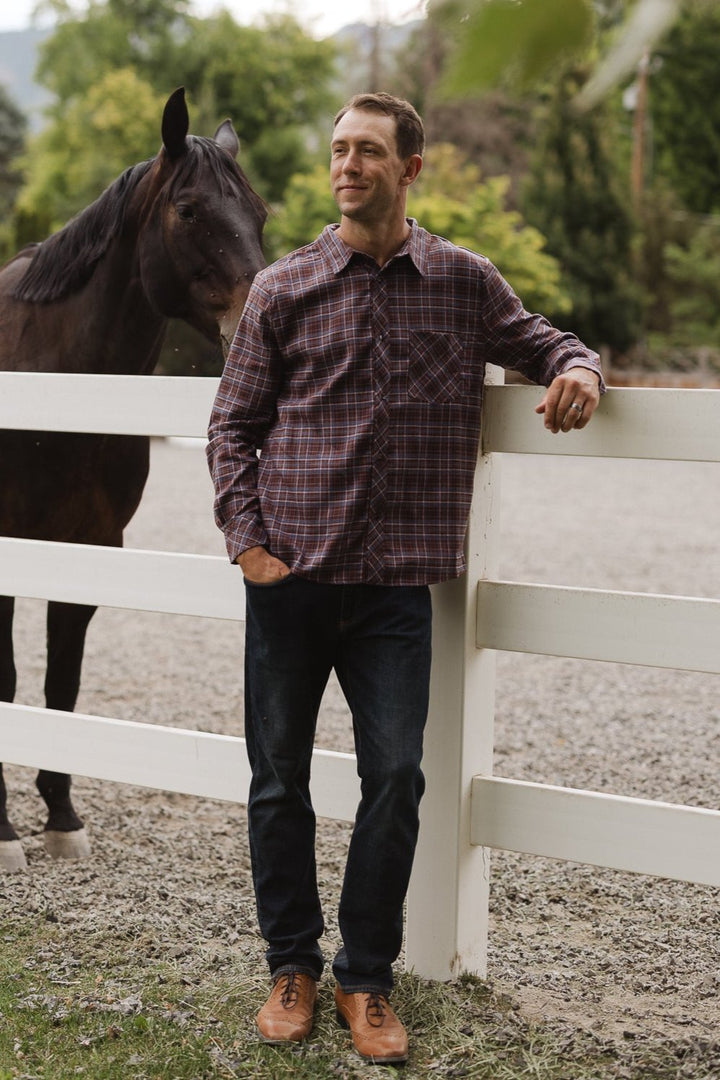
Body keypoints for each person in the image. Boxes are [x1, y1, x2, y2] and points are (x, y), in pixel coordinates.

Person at [206, 92, 603, 1065]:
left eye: (370, 151)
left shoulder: (464, 284)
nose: (349, 164)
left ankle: (366, 980)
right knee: (277, 785)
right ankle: (290, 968)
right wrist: (250, 546)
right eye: (340, 149)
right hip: (289, 584)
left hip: (394, 593)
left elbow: (545, 340)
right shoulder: (284, 286)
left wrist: (581, 368)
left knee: (395, 779)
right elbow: (232, 428)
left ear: (409, 168)